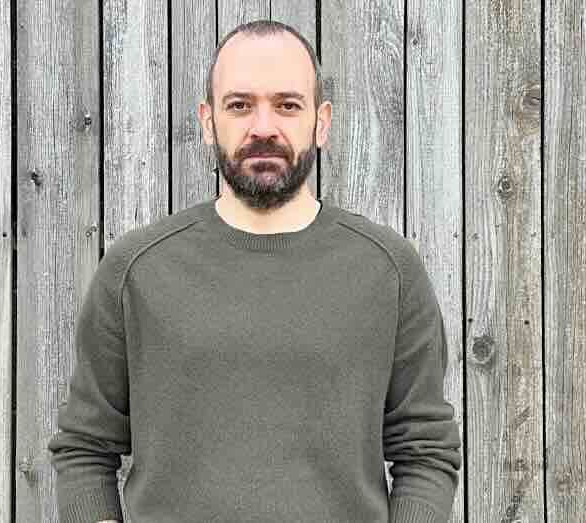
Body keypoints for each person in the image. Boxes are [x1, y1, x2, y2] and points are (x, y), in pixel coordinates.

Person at [47, 19, 461, 523]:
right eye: (239, 105)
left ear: (322, 122)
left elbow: (425, 451)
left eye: (287, 105)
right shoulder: (137, 271)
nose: (263, 127)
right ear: (207, 121)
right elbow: (86, 446)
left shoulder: (388, 270)